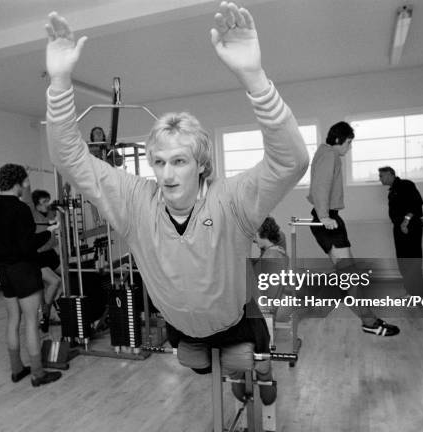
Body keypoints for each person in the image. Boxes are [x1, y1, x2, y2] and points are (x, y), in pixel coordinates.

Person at [44, 1, 309, 406]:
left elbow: (291, 160)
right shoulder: (136, 202)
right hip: (184, 330)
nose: (167, 174)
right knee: (197, 362)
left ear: (201, 165)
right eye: (160, 162)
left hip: (235, 321)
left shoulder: (231, 200)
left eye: (180, 161)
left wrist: (254, 77)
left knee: (254, 359)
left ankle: (258, 373)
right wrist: (60, 83)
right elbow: (70, 158)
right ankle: (228, 370)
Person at [307, 122, 400, 336]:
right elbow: (321, 185)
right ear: (339, 139)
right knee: (349, 278)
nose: (349, 148)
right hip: (327, 218)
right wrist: (323, 216)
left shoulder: (324, 152)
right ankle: (369, 321)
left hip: (330, 217)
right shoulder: (329, 155)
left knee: (348, 277)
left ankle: (369, 319)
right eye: (348, 143)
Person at [0, 164, 62, 387]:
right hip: (24, 270)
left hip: (3, 271)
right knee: (32, 322)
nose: (27, 185)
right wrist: (49, 232)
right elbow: (27, 246)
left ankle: (17, 370)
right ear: (18, 182)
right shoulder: (20, 209)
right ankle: (38, 373)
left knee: (13, 320)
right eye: (25, 181)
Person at [254, 217, 304, 356]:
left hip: (271, 306)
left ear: (261, 233)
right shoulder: (278, 250)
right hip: (277, 301)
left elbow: (268, 293)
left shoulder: (271, 256)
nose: (253, 239)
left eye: (255, 235)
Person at [378, 166, 423, 299]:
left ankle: (418, 295)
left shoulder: (406, 184)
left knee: (412, 261)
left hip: (408, 228)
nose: (379, 179)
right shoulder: (392, 191)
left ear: (389, 174)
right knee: (403, 262)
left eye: (381, 176)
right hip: (400, 229)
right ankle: (410, 292)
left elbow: (416, 203)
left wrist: (407, 221)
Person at [31, 189, 62, 332]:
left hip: (50, 253)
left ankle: (54, 310)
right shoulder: (31, 214)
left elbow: (59, 205)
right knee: (55, 281)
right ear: (36, 204)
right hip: (38, 255)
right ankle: (45, 313)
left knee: (67, 276)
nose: (46, 204)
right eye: (43, 202)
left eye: (47, 201)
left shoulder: (51, 211)